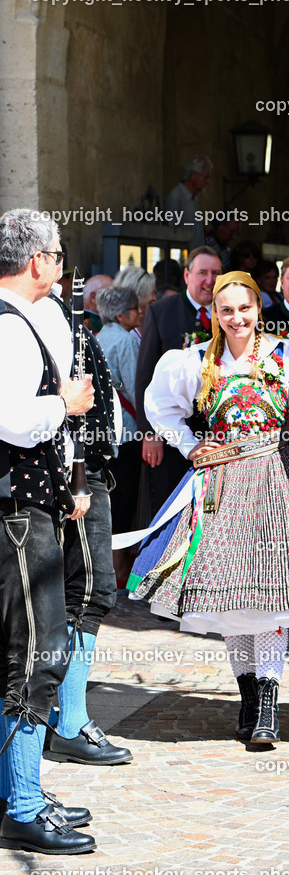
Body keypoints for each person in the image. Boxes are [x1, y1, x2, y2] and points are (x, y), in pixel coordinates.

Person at [127, 272, 289, 744]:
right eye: (227, 311)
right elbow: (160, 407)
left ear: (258, 309)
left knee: (269, 595)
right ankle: (248, 699)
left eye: (245, 309)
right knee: (231, 598)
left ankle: (267, 707)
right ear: (215, 315)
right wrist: (188, 446)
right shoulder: (197, 361)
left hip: (273, 479)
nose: (237, 318)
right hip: (220, 484)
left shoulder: (287, 358)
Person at [0, 209, 97, 853]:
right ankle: (24, 803)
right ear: (38, 262)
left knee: (27, 653)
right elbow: (9, 418)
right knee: (38, 654)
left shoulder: (20, 322)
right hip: (17, 515)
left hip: (30, 508)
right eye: (59, 256)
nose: (62, 267)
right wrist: (67, 404)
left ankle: (18, 791)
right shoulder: (9, 328)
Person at [33, 272, 129, 769]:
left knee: (83, 594)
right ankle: (68, 724)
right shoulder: (43, 324)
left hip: (82, 469)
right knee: (86, 593)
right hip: (71, 473)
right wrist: (79, 478)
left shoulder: (62, 322)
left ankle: (65, 721)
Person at [135, 246, 222, 516]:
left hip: (219, 431)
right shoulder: (161, 312)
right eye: (202, 273)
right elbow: (145, 374)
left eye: (216, 273)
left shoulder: (230, 311)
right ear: (187, 275)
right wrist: (149, 432)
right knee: (170, 505)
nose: (209, 280)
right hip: (173, 434)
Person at [96, 285, 143, 589]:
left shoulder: (98, 336)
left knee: (110, 500)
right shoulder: (125, 340)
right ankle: (119, 570)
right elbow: (137, 387)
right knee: (124, 502)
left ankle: (107, 569)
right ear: (122, 314)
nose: (140, 313)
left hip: (105, 432)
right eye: (136, 309)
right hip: (127, 432)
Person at [163, 155, 213, 250]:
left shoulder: (192, 198)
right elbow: (170, 232)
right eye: (205, 177)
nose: (208, 182)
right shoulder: (176, 196)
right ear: (194, 176)